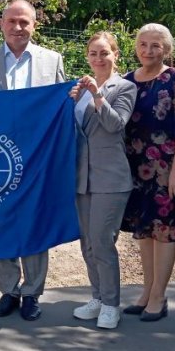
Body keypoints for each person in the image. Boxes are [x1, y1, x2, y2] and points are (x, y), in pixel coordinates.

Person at [0, 0, 67, 322]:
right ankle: (9, 288)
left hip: (37, 159)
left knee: (35, 225)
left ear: (34, 25)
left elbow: (63, 111)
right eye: (12, 21)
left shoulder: (52, 61)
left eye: (24, 22)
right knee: (1, 223)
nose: (18, 27)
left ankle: (32, 292)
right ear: (1, 24)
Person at [119, 23, 175, 323]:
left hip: (166, 168)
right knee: (144, 230)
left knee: (164, 231)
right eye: (143, 44)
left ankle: (159, 296)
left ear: (167, 49)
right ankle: (147, 290)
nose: (148, 50)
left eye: (156, 45)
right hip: (135, 167)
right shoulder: (126, 81)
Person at [68, 31, 137, 330]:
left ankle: (111, 304)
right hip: (83, 177)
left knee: (102, 242)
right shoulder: (79, 89)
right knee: (87, 245)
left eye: (105, 53)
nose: (99, 58)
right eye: (94, 53)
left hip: (111, 178)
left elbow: (114, 125)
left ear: (115, 55)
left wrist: (97, 94)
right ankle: (97, 296)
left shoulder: (124, 87)